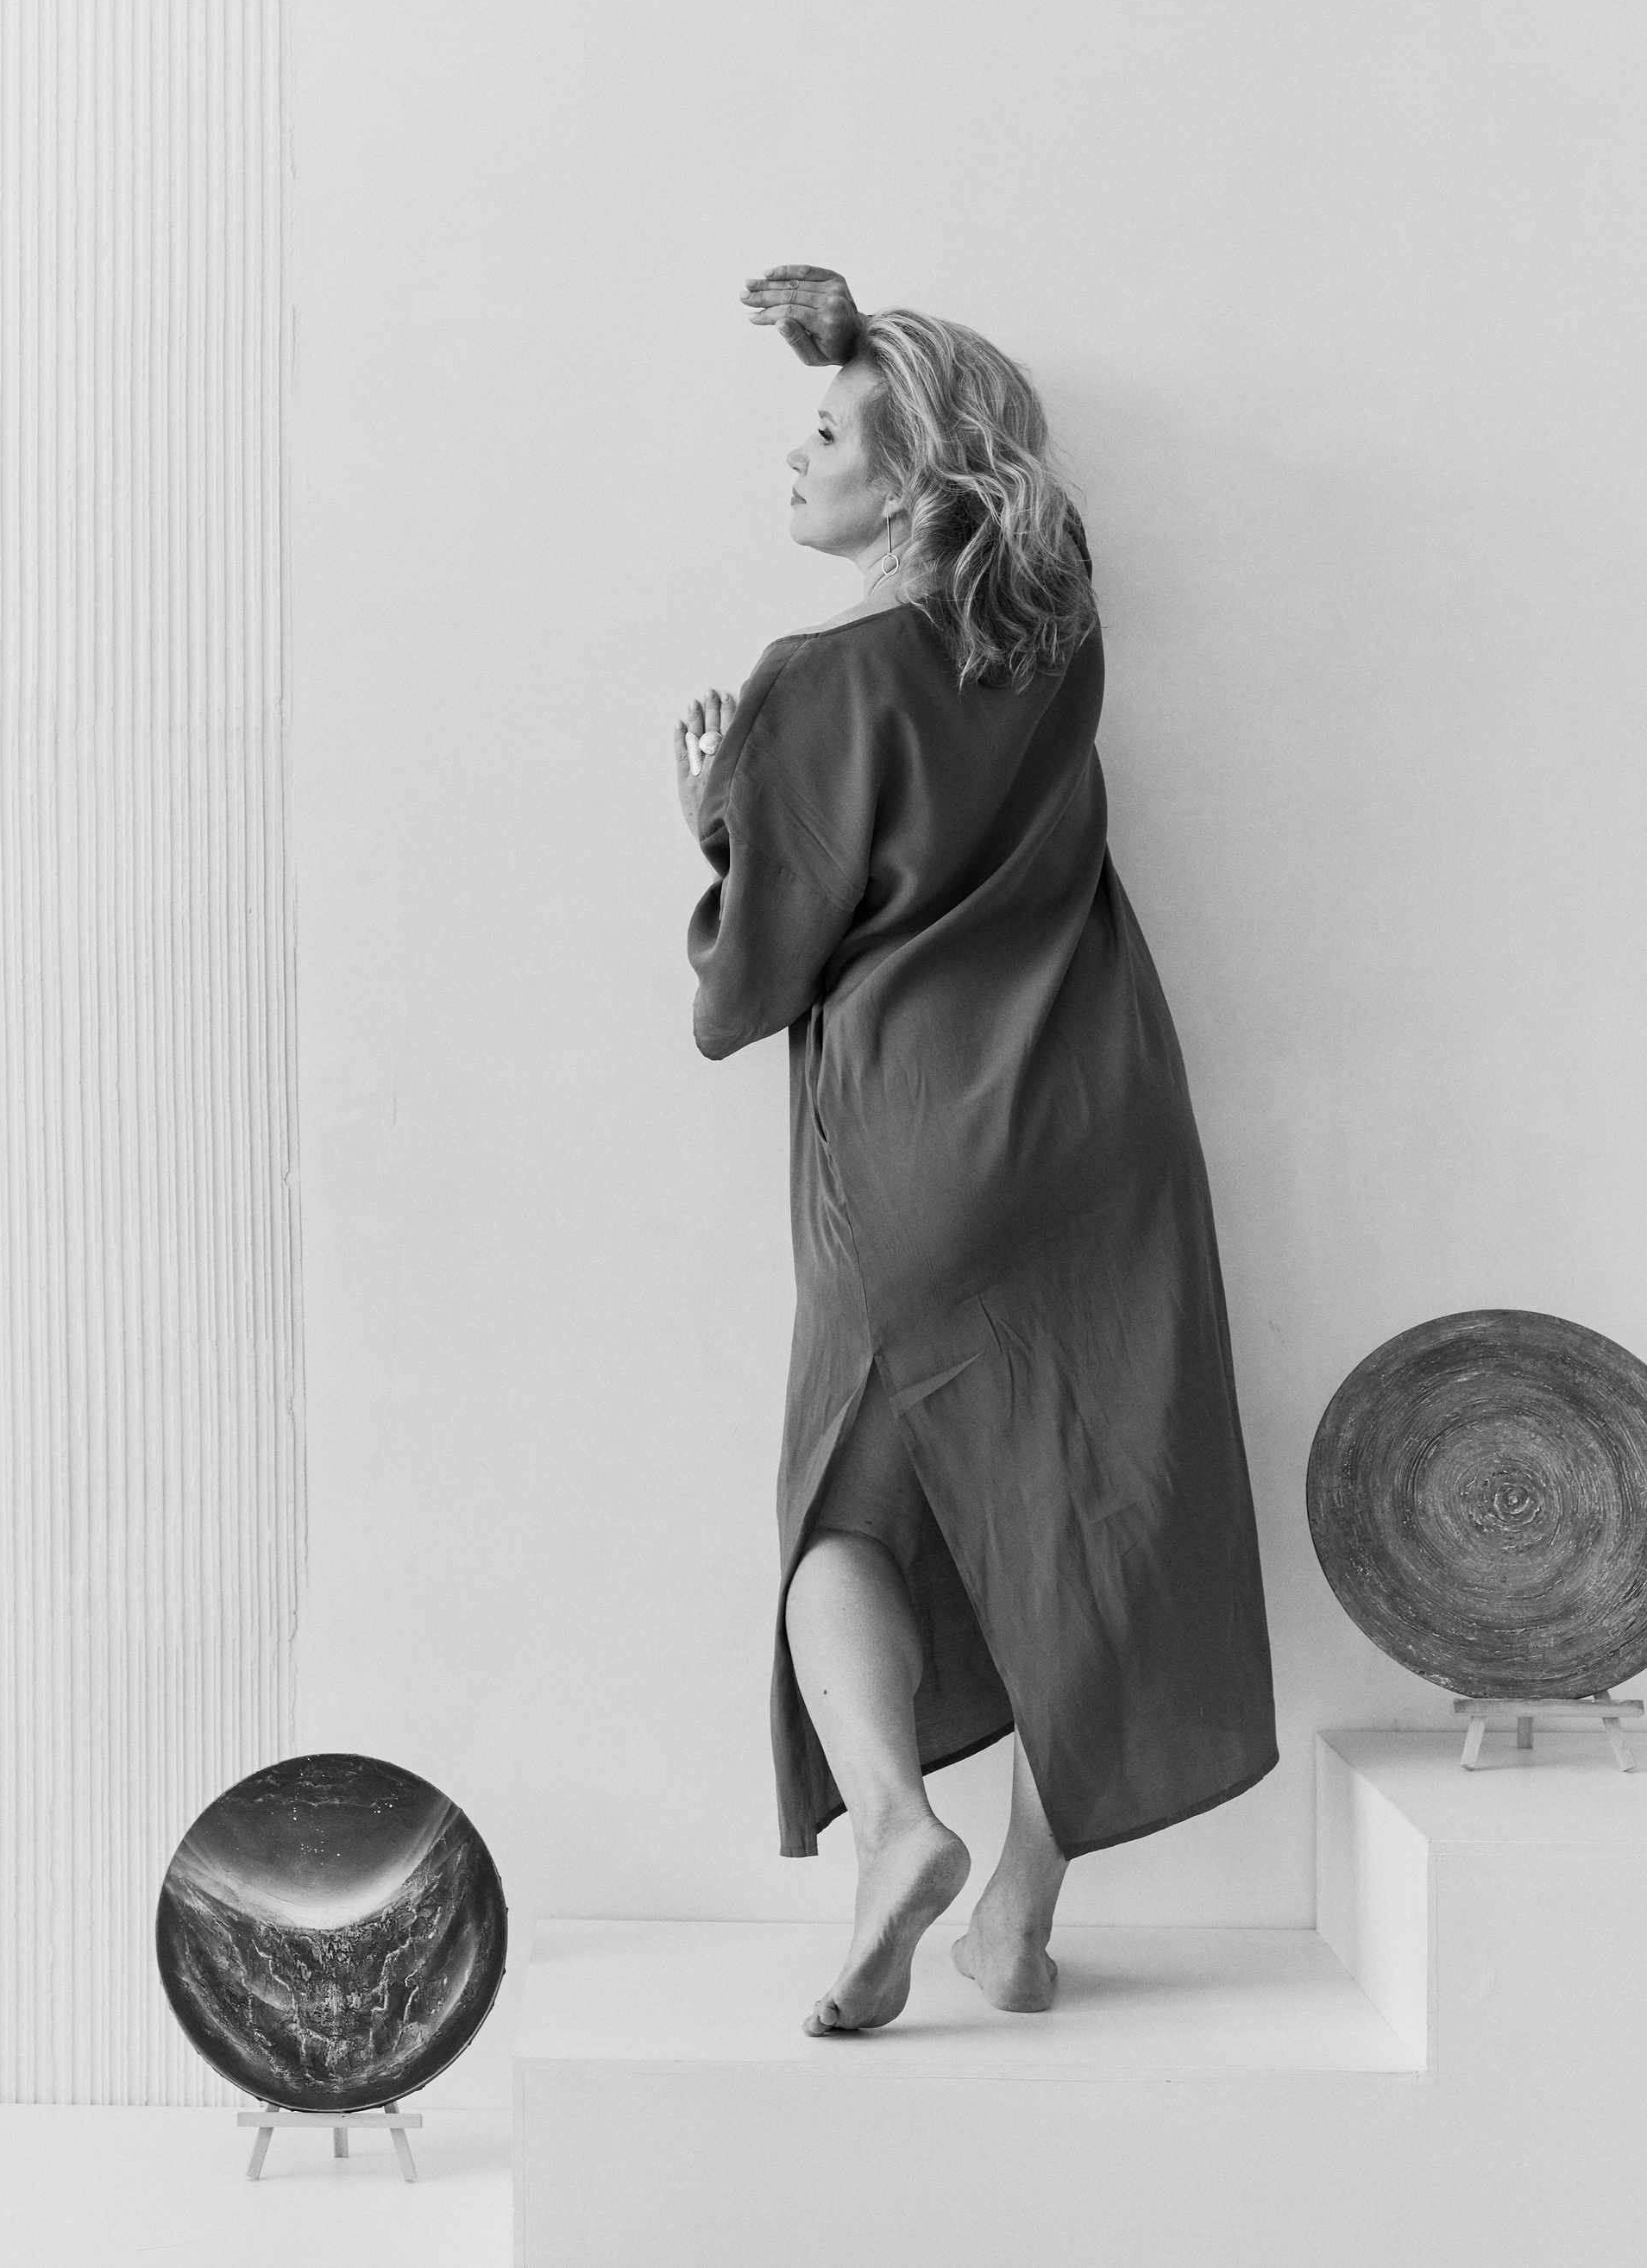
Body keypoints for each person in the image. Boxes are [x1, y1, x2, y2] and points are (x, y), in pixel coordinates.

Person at [673, 267, 1278, 2039]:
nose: (797, 456)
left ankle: (895, 1830)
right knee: (1093, 1504)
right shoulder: (1047, 636)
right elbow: (1009, 501)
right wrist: (862, 340)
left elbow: (747, 989)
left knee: (840, 1513)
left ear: (916, 479)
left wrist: (716, 823)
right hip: (1105, 1118)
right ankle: (1016, 1921)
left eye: (828, 433)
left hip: (913, 1138)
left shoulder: (813, 682)